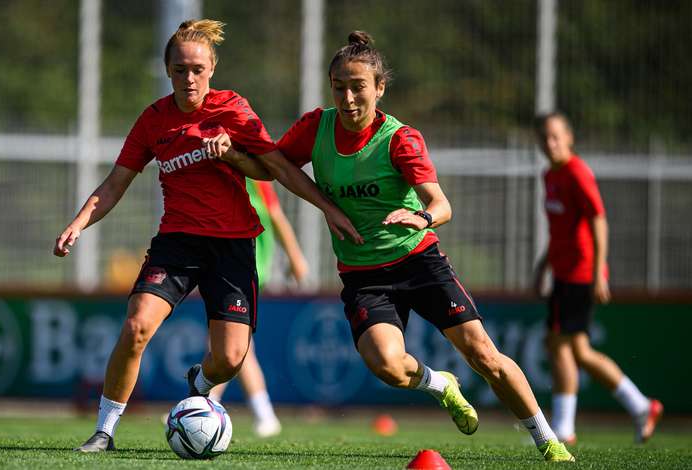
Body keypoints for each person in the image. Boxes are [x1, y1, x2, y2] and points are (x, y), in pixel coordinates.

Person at [241, 31, 575, 462]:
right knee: (386, 365)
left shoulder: (400, 139)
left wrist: (420, 217)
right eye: (339, 87)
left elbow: (441, 204)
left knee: (484, 356)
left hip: (419, 261)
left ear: (379, 88)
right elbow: (273, 167)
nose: (347, 98)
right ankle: (441, 385)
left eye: (358, 87)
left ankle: (547, 438)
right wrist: (229, 152)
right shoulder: (315, 127)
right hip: (362, 274)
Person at [54, 19, 360, 453]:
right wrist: (79, 222)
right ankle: (104, 431)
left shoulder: (233, 109)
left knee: (232, 358)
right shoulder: (154, 120)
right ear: (168, 71)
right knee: (137, 324)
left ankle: (198, 382)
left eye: (197, 68)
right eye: (180, 69)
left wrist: (327, 208)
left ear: (212, 67)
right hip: (177, 242)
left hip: (233, 245)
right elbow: (114, 183)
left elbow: (278, 167)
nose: (189, 77)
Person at [533, 111, 663, 445]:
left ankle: (563, 429)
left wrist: (598, 273)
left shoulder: (577, 173)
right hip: (563, 272)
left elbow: (599, 220)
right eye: (544, 138)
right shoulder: (550, 175)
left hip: (580, 273)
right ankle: (640, 406)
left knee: (559, 344)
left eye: (556, 136)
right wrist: (543, 266)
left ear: (569, 137)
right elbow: (560, 230)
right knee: (578, 350)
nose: (550, 143)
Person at [208, 179, 309, 438]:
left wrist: (295, 256)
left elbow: (277, 216)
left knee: (232, 345)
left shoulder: (254, 176)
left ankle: (206, 405)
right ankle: (253, 412)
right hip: (230, 268)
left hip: (245, 269)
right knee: (237, 347)